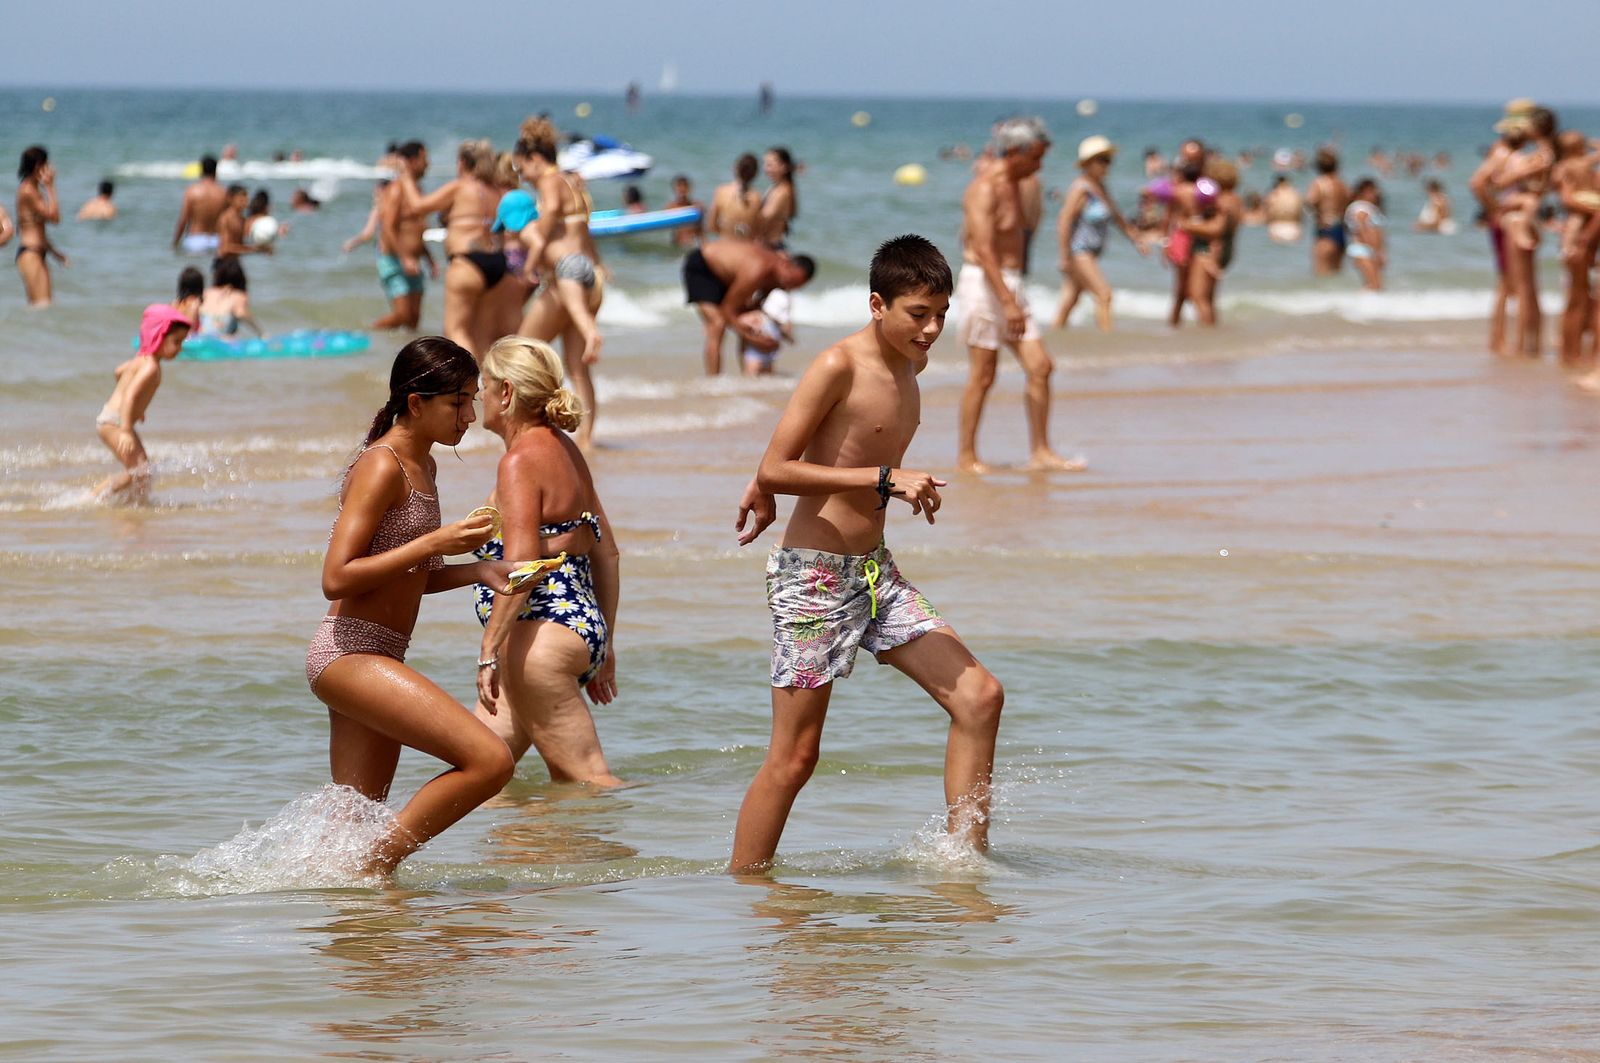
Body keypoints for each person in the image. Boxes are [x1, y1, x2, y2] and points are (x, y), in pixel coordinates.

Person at [727, 234, 1005, 874]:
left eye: (942, 314)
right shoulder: (837, 365)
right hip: (815, 579)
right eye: (918, 314)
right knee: (795, 757)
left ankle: (967, 865)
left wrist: (880, 482)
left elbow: (809, 457)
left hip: (876, 573)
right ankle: (745, 889)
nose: (933, 330)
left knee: (980, 697)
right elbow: (777, 465)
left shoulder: (913, 364)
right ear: (877, 304)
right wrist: (885, 479)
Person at [307, 335, 518, 877]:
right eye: (457, 402)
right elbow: (336, 577)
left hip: (381, 655)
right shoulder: (382, 465)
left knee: (354, 829)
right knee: (490, 760)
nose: (470, 415)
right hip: (349, 652)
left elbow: (406, 578)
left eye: (473, 399)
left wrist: (478, 570)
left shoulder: (425, 465)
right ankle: (372, 869)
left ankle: (358, 930)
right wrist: (433, 543)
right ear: (416, 403)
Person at [472, 336, 622, 783]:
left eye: (483, 383)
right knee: (480, 774)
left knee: (587, 781)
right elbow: (607, 553)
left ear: (506, 392)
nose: (479, 394)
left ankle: (667, 840)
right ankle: (529, 848)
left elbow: (521, 566)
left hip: (539, 645)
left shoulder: (520, 461)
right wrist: (605, 644)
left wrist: (487, 651)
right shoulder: (564, 449)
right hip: (567, 631)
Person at [955, 116, 1081, 473]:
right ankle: (967, 457)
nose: (1040, 165)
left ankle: (1041, 451)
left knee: (1041, 365)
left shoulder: (1020, 184)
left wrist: (1013, 293)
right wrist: (1007, 302)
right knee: (983, 373)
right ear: (1015, 152)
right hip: (983, 282)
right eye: (1036, 157)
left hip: (1009, 281)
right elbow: (982, 248)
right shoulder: (984, 188)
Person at [506, 118, 606, 449]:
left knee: (522, 350)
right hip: (587, 275)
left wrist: (530, 265)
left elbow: (547, 223)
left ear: (535, 160)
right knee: (577, 367)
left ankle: (525, 430)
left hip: (565, 276)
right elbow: (584, 233)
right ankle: (587, 440)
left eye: (523, 170)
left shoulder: (550, 181)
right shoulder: (571, 183)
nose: (524, 178)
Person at [396, 139, 505, 358]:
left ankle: (469, 388)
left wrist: (406, 176)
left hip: (467, 262)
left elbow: (418, 207)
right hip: (497, 262)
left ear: (462, 163)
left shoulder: (460, 187)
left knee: (456, 332)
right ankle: (486, 388)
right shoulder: (497, 191)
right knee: (482, 336)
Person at [93, 301, 196, 501]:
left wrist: (136, 410)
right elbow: (131, 395)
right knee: (139, 472)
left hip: (114, 419)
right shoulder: (150, 367)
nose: (180, 348)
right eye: (177, 342)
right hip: (115, 423)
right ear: (159, 337)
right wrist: (126, 430)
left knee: (141, 471)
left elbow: (119, 372)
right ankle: (93, 497)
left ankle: (133, 505)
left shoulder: (142, 359)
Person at [681, 238, 815, 374]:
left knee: (751, 320)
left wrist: (776, 332)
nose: (788, 287)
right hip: (703, 267)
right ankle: (713, 382)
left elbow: (753, 308)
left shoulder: (778, 277)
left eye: (795, 286)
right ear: (786, 265)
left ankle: (747, 378)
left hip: (727, 276)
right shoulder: (758, 270)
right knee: (718, 324)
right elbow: (728, 310)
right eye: (791, 281)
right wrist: (753, 339)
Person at [1053, 135, 1145, 331]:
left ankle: (1055, 339)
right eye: (1102, 160)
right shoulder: (1081, 189)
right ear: (1088, 163)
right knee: (1104, 294)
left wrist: (1136, 239)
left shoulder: (1100, 187)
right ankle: (1108, 339)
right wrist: (1064, 257)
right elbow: (1064, 221)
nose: (1107, 165)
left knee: (1070, 300)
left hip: (1091, 252)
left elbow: (1117, 217)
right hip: (1079, 251)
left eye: (1109, 160)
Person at [372, 141, 435, 331]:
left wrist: (429, 258)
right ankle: (371, 332)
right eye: (424, 159)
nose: (428, 164)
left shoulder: (417, 190)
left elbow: (415, 230)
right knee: (402, 314)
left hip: (413, 261)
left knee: (414, 319)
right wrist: (404, 257)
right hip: (394, 259)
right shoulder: (397, 189)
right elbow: (388, 227)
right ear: (413, 161)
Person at [1553, 130, 1599, 364]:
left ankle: (1570, 353)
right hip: (1584, 233)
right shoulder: (1584, 166)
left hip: (1574, 230)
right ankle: (1576, 354)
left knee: (1575, 298)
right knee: (1581, 298)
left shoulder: (1563, 168)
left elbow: (1565, 198)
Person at [1190, 160, 1245, 324]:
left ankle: (1207, 333)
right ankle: (1212, 329)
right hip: (1227, 249)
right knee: (1209, 298)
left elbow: (1217, 230)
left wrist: (1187, 226)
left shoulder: (1221, 201)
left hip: (1210, 250)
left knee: (1199, 297)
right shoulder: (1236, 200)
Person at [15, 146, 67, 307]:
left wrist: (54, 253)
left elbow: (37, 229)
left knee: (44, 305)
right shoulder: (27, 191)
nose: (49, 169)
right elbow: (55, 218)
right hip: (30, 253)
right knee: (41, 305)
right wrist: (51, 187)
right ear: (38, 166)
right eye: (46, 165)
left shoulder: (33, 190)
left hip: (37, 252)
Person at [1305, 148, 1351, 275]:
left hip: (1325, 229)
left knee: (1321, 274)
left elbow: (1309, 202)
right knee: (1336, 274)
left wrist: (1317, 215)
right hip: (1341, 229)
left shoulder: (1319, 183)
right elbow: (1350, 202)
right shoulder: (1342, 184)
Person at [172, 155, 228, 255]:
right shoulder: (223, 192)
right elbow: (227, 220)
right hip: (217, 240)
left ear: (201, 170)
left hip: (196, 241)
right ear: (216, 171)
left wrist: (175, 243)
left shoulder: (192, 191)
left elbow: (184, 220)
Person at [199, 255, 261, 337]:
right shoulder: (239, 295)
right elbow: (241, 313)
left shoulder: (207, 292)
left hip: (201, 337)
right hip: (223, 340)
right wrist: (260, 332)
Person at [1344, 178, 1388, 291]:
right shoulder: (1361, 207)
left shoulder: (1366, 207)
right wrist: (1377, 251)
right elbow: (1363, 229)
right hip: (1363, 249)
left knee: (1373, 284)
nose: (1375, 194)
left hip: (1367, 249)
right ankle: (1366, 306)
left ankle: (1365, 306)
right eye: (1372, 191)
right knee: (1375, 285)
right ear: (1364, 191)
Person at [706, 154, 762, 241]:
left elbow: (711, 226)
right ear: (755, 174)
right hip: (746, 248)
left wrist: (726, 233)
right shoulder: (757, 197)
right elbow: (757, 232)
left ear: (735, 169)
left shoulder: (721, 191)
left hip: (725, 246)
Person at [740, 288, 794, 375]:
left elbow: (784, 330)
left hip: (770, 354)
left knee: (767, 379)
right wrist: (754, 329)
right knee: (752, 375)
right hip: (755, 353)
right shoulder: (757, 316)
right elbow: (741, 322)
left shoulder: (779, 322)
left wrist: (789, 338)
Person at [759, 147, 798, 247]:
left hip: (772, 246)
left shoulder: (782, 192)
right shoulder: (777, 188)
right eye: (765, 164)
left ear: (783, 167)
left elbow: (763, 220)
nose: (765, 168)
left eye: (770, 165)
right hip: (769, 245)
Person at [666, 174, 704, 248]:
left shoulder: (697, 207)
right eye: (679, 186)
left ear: (689, 188)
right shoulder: (670, 207)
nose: (682, 189)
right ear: (674, 189)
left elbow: (702, 231)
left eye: (685, 186)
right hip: (677, 245)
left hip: (693, 244)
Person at [1264, 175, 1303, 243]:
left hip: (1276, 228)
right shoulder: (1296, 194)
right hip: (1294, 230)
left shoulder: (1273, 194)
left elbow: (1267, 215)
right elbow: (1300, 216)